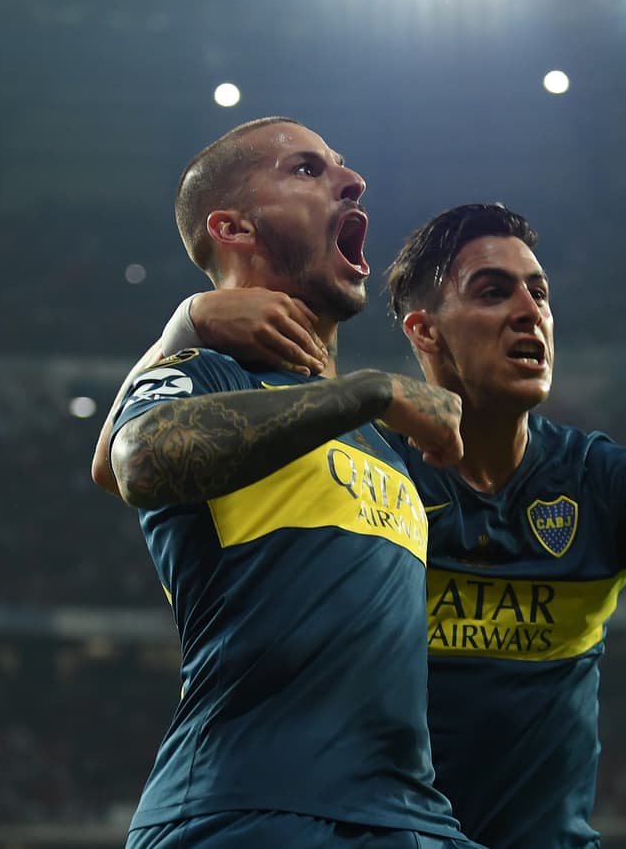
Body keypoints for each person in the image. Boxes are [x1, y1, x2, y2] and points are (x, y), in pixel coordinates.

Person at [94, 204, 626, 849]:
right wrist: (185, 324)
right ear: (425, 329)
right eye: (493, 291)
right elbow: (124, 457)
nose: (529, 312)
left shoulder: (615, 482)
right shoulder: (364, 473)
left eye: (540, 294)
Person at [104, 116, 482, 849]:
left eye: (339, 166)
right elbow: (137, 460)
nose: (351, 179)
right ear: (233, 226)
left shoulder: (384, 441)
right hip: (246, 811)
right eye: (306, 170)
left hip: (412, 817)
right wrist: (364, 391)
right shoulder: (208, 377)